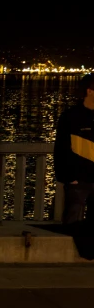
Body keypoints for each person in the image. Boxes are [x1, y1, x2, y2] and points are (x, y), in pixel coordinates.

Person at [53, 73, 94, 226]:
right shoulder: (70, 117)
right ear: (89, 91)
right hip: (79, 182)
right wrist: (69, 178)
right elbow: (61, 150)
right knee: (72, 225)